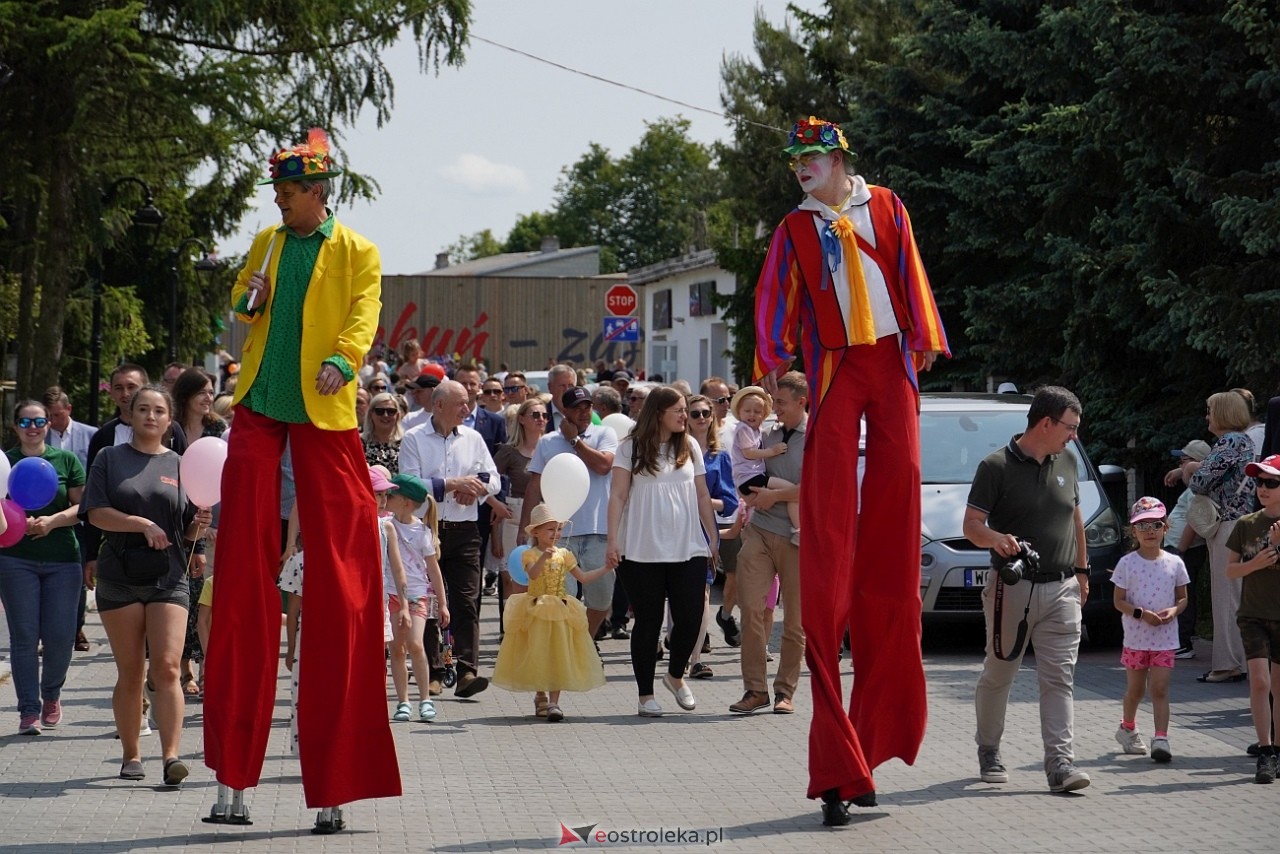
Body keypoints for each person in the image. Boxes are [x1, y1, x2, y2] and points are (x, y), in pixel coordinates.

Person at [752, 115, 949, 823]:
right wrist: (772, 355)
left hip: (889, 365)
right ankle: (837, 762)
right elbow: (775, 295)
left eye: (811, 156)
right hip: (835, 368)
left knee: (895, 518)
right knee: (830, 534)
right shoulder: (794, 227)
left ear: (838, 159)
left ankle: (868, 749)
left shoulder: (886, 205)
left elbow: (910, 271)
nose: (801, 167)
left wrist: (924, 337)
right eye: (795, 160)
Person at [204, 127, 400, 819]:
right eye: (278, 192)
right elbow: (240, 304)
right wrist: (249, 300)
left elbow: (363, 314)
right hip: (260, 405)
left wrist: (344, 360)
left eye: (289, 192)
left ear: (318, 193)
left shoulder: (357, 251)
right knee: (241, 578)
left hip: (325, 413)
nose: (280, 202)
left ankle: (336, 785)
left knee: (343, 583)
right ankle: (232, 777)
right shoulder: (268, 241)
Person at [965, 386, 1091, 796]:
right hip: (1012, 589)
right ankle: (989, 749)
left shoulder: (1068, 460)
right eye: (1070, 427)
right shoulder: (995, 466)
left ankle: (1060, 764)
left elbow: (1075, 519)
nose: (1074, 435)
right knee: (1000, 672)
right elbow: (972, 526)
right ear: (1046, 423)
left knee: (1059, 678)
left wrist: (1082, 571)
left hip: (1063, 588)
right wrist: (996, 539)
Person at [82, 386, 211, 784]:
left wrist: (199, 526)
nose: (150, 416)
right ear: (131, 415)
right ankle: (131, 754)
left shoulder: (181, 464)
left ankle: (171, 756)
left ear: (169, 420)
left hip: (168, 576)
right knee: (132, 671)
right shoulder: (109, 458)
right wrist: (141, 524)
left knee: (168, 667)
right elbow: (96, 513)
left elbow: (186, 529)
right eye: (142, 409)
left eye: (158, 411)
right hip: (119, 576)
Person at [605, 387, 719, 718]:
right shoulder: (630, 447)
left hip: (687, 544)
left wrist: (712, 537)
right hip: (641, 547)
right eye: (679, 410)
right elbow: (618, 495)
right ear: (658, 413)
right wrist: (612, 540)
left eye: (686, 410)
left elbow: (702, 495)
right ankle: (645, 695)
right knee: (649, 621)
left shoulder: (690, 445)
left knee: (691, 616)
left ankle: (675, 675)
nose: (685, 416)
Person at [398, 379, 501, 699]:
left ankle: (467, 671)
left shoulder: (473, 438)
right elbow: (410, 484)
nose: (467, 409)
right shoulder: (413, 438)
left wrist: (476, 489)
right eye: (461, 403)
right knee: (430, 605)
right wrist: (453, 484)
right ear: (439, 405)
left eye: (468, 402)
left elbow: (494, 479)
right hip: (427, 532)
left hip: (465, 531)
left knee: (466, 603)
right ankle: (436, 672)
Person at [0, 401, 86, 735]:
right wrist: (15, 523)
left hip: (63, 560)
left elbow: (83, 506)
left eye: (38, 421)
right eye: (25, 422)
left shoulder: (66, 460)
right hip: (15, 560)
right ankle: (28, 710)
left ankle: (51, 693)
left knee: (61, 637)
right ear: (15, 426)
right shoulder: (5, 461)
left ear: (48, 424)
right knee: (24, 637)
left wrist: (52, 521)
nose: (32, 427)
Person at [730, 373, 808, 716]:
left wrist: (775, 496)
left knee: (794, 621)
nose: (774, 408)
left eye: (781, 402)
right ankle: (755, 690)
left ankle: (784, 691)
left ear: (801, 402)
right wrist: (749, 497)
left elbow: (818, 488)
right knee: (750, 609)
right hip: (759, 531)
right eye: (774, 401)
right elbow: (745, 472)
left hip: (797, 538)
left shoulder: (817, 436)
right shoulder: (765, 434)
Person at [493, 503, 612, 721]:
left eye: (559, 529)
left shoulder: (564, 554)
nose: (556, 534)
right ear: (536, 532)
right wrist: (543, 558)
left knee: (558, 654)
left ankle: (554, 703)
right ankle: (540, 694)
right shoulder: (529, 554)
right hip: (536, 609)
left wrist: (606, 568)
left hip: (560, 609)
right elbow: (533, 575)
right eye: (550, 529)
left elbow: (583, 578)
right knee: (538, 652)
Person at [521, 387, 618, 641]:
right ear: (564, 411)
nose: (584, 412)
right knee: (560, 597)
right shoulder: (548, 441)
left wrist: (575, 441)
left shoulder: (605, 433)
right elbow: (535, 485)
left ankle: (583, 642)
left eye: (588, 406)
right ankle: (567, 648)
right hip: (559, 535)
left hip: (598, 531)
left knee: (601, 600)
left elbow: (604, 466)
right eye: (577, 408)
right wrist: (525, 527)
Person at [1111, 497, 1188, 764]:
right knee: (1136, 691)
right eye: (1142, 526)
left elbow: (1182, 598)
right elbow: (1118, 601)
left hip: (1165, 638)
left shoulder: (1175, 563)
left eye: (1155, 524)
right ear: (1134, 531)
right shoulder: (1127, 563)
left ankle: (1161, 738)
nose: (1149, 531)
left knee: (1160, 689)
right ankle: (1128, 728)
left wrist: (1174, 611)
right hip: (1136, 638)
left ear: (1165, 528)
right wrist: (1141, 614)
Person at [1187, 390, 1255, 683]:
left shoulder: (1229, 442)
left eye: (1210, 411)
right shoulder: (1245, 441)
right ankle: (1241, 660)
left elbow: (1200, 482)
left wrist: (1192, 468)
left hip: (1227, 526)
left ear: (1224, 413)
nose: (1207, 417)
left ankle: (1227, 664)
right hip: (1242, 524)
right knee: (1237, 595)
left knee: (1225, 596)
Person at [1224, 453, 1280, 782]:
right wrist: (1255, 563)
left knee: (1279, 685)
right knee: (1260, 681)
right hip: (1253, 614)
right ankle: (1265, 751)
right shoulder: (1246, 524)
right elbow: (1230, 570)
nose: (1263, 488)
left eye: (1271, 482)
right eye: (1259, 482)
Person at [172, 367, 226, 697]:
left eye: (210, 391)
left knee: (208, 600)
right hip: (178, 524)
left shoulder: (219, 430)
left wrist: (215, 524)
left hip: (214, 526)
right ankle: (183, 668)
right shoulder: (172, 429)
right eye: (202, 391)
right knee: (185, 598)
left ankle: (209, 667)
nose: (208, 397)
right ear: (186, 395)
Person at [383, 473, 450, 723]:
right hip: (391, 593)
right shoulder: (385, 524)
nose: (386, 498)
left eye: (391, 495)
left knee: (415, 644)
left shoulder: (422, 532)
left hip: (417, 595)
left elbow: (434, 569)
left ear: (406, 502)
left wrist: (443, 603)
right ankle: (403, 702)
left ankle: (425, 699)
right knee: (396, 649)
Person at [683, 394, 738, 679]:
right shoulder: (675, 452)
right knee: (676, 595)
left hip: (704, 530)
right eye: (695, 413)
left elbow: (729, 501)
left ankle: (695, 660)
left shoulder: (720, 456)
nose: (702, 418)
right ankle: (678, 651)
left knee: (702, 594)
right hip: (673, 528)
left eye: (706, 413)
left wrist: (702, 501)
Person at [1162, 440, 1212, 658]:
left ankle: (1182, 642)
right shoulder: (1194, 485)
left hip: (1186, 550)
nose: (1180, 465)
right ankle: (1180, 640)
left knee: (1182, 594)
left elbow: (1193, 522)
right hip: (1182, 549)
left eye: (1183, 461)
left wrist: (1180, 551)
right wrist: (1181, 471)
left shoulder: (1198, 491)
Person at [728, 386, 799, 538]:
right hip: (750, 478)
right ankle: (799, 529)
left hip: (751, 477)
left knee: (785, 495)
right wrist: (773, 451)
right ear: (739, 412)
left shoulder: (757, 429)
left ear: (764, 414)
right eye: (747, 411)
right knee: (792, 491)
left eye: (757, 411)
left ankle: (797, 527)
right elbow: (749, 453)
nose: (752, 415)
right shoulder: (743, 429)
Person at [362, 391, 405, 474]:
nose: (385, 415)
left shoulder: (406, 442)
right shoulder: (360, 443)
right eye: (380, 411)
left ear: (397, 415)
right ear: (371, 414)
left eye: (391, 411)